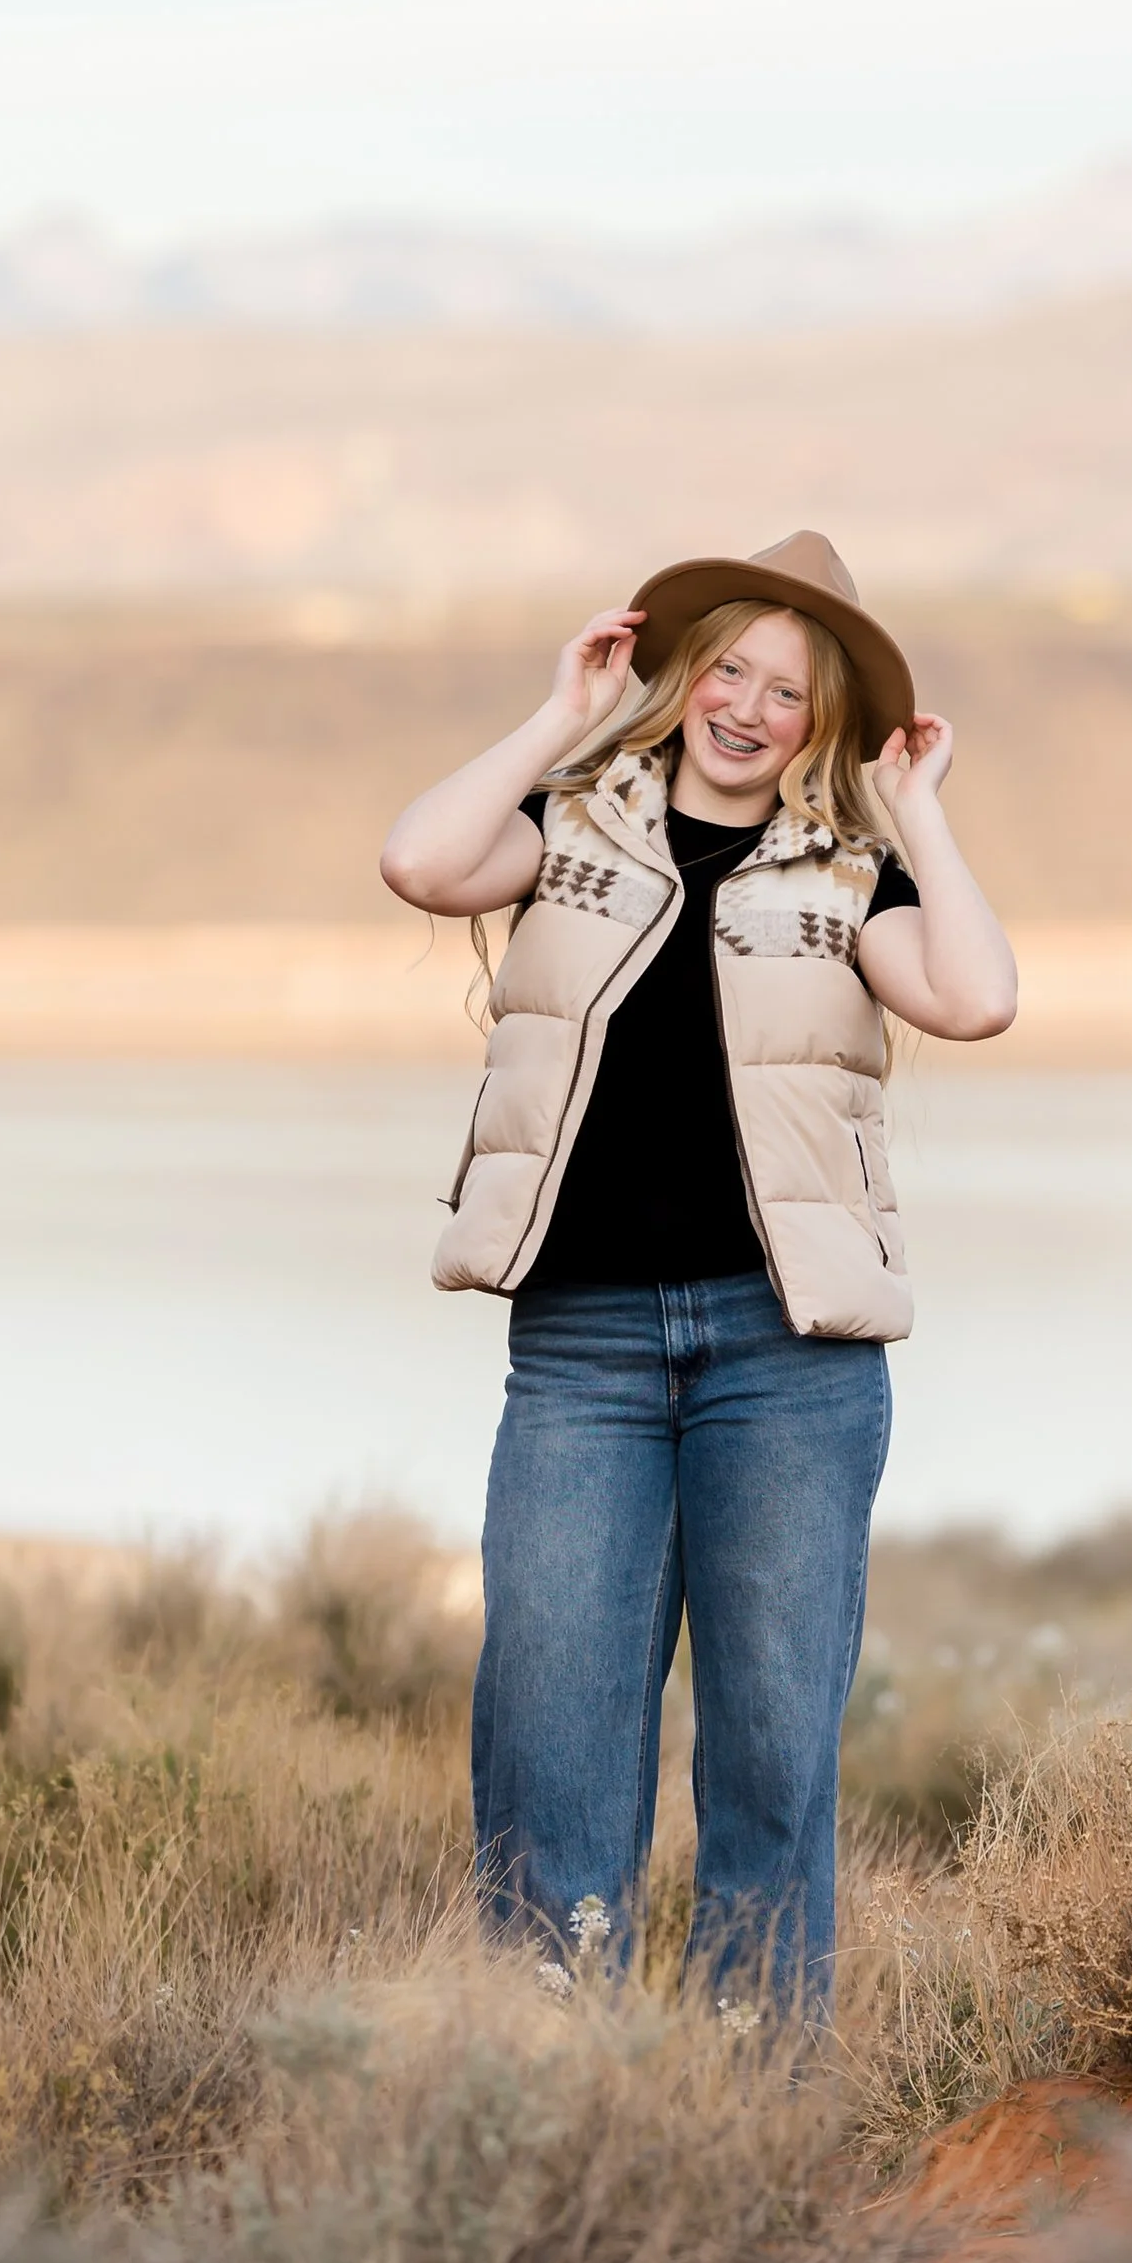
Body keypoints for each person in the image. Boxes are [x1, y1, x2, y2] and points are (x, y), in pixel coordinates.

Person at [380, 529, 1017, 2020]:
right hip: (582, 1354)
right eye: (725, 667)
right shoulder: (568, 828)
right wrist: (560, 713)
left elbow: (980, 995)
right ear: (678, 676)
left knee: (772, 1760)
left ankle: (752, 2121)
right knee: (548, 1740)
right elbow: (418, 859)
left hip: (785, 1360)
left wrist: (915, 812)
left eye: (787, 692)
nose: (746, 707)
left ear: (824, 725)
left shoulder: (848, 878)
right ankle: (546, 2091)